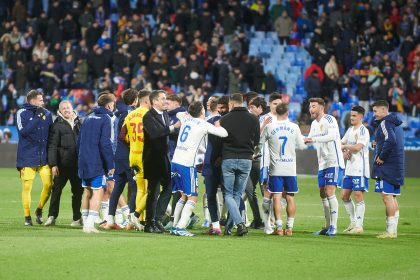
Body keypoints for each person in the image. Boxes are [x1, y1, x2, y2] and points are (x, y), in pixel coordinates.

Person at [171, 101, 228, 236]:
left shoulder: (185, 118)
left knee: (184, 195)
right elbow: (224, 134)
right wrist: (219, 125)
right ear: (202, 112)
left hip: (175, 161)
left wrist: (186, 114)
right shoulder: (203, 124)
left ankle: (174, 226)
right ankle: (180, 227)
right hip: (186, 164)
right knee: (193, 197)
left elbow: (179, 113)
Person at [260, 103, 306, 236]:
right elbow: (302, 146)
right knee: (290, 197)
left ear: (275, 112)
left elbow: (260, 142)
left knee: (276, 197)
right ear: (287, 112)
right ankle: (289, 228)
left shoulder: (269, 127)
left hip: (276, 168)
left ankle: (279, 228)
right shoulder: (294, 127)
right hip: (290, 168)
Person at [220, 93, 260, 236]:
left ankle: (239, 223)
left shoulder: (224, 119)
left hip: (228, 159)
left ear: (231, 103)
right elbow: (256, 140)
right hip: (246, 160)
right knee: (237, 194)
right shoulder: (254, 119)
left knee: (228, 194)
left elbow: (220, 140)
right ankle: (229, 228)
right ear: (242, 102)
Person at [304, 98, 345, 236]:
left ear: (321, 107)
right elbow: (307, 140)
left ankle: (334, 226)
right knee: (322, 192)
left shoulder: (329, 119)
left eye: (313, 106)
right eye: (310, 106)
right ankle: (327, 226)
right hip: (322, 163)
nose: (311, 109)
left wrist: (313, 139)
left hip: (333, 160)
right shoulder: (314, 124)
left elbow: (332, 136)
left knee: (329, 191)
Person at [102, 89, 140, 230]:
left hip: (118, 155)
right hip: (128, 155)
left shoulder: (116, 114)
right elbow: (126, 136)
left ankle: (110, 220)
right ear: (135, 100)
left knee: (118, 188)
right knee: (134, 187)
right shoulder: (129, 114)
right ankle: (130, 221)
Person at [143, 90, 180, 233]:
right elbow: (154, 133)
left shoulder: (164, 114)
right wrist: (172, 127)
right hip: (152, 159)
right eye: (163, 98)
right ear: (154, 102)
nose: (165, 101)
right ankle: (149, 224)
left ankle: (157, 219)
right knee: (153, 192)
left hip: (164, 158)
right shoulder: (148, 116)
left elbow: (168, 132)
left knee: (169, 187)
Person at [78, 93, 115, 233]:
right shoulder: (106, 119)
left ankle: (85, 222)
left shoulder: (87, 117)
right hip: (96, 161)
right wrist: (110, 164)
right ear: (109, 105)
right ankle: (89, 225)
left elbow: (79, 140)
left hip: (84, 159)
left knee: (87, 191)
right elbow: (105, 143)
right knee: (98, 191)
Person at [16, 90, 53, 226]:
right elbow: (23, 132)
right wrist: (37, 117)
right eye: (40, 100)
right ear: (32, 100)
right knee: (27, 187)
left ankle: (39, 209)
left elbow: (50, 135)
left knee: (49, 186)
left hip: (43, 157)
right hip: (27, 157)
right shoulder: (21, 113)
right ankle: (27, 216)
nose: (43, 102)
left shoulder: (47, 114)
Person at [44, 100, 83, 227]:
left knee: (78, 192)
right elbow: (52, 146)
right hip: (62, 165)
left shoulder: (80, 123)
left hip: (77, 165)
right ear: (59, 111)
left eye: (68, 108)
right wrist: (53, 164)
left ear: (72, 109)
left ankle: (77, 218)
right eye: (63, 108)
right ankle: (51, 216)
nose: (66, 110)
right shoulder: (56, 125)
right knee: (56, 191)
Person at [372, 100, 404, 239]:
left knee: (387, 197)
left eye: (375, 111)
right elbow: (389, 139)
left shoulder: (385, 122)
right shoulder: (396, 123)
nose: (374, 114)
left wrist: (381, 156)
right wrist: (377, 143)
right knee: (392, 197)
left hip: (388, 166)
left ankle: (390, 231)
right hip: (397, 166)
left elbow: (391, 140)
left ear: (384, 110)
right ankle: (393, 230)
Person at [340, 105, 370, 234]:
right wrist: (344, 151)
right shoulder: (350, 130)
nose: (351, 118)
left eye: (354, 115)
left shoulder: (363, 130)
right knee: (344, 195)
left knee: (358, 195)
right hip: (349, 169)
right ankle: (353, 222)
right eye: (351, 115)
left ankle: (359, 226)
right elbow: (340, 144)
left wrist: (347, 147)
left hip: (359, 169)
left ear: (361, 117)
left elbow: (357, 148)